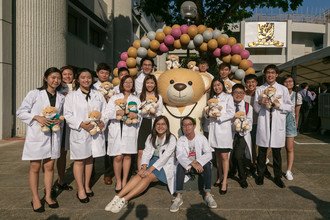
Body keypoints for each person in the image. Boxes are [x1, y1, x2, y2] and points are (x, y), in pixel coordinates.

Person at [17, 67, 65, 212]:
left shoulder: (61, 97)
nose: (55, 80)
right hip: (37, 135)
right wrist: (37, 117)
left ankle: (49, 195)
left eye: (58, 78)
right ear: (45, 78)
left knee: (49, 167)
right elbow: (21, 111)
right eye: (52, 77)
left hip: (54, 136)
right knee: (35, 167)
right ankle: (36, 198)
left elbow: (61, 115)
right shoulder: (35, 93)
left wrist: (60, 121)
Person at [105, 116, 176, 213]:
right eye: (158, 124)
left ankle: (124, 200)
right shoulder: (151, 136)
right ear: (154, 125)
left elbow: (164, 158)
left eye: (163, 124)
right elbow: (146, 153)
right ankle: (117, 197)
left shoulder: (172, 139)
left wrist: (148, 170)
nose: (160, 126)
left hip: (165, 165)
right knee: (139, 174)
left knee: (147, 177)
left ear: (167, 126)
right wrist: (143, 167)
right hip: (153, 161)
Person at [64, 68, 107, 203]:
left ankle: (87, 185)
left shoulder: (98, 95)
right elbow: (68, 114)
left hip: (94, 132)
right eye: (83, 77)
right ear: (77, 79)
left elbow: (105, 111)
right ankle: (80, 189)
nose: (86, 80)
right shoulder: (71, 96)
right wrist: (81, 124)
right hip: (80, 132)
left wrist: (102, 122)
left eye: (88, 77)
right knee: (79, 160)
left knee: (89, 159)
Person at [254, 64, 292, 188]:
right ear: (265, 74)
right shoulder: (260, 89)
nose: (270, 75)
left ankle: (277, 177)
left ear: (276, 74)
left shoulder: (283, 89)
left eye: (272, 72)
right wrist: (260, 102)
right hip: (264, 122)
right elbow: (256, 108)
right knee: (262, 152)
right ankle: (260, 175)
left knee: (276, 152)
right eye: (268, 72)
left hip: (277, 124)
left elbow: (289, 107)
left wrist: (278, 105)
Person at [170, 117, 216, 212]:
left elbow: (208, 153)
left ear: (194, 126)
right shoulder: (181, 140)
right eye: (184, 125)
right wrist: (192, 163)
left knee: (207, 165)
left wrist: (198, 162)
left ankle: (208, 194)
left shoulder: (201, 138)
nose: (187, 127)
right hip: (188, 166)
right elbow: (179, 155)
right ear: (182, 127)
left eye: (189, 124)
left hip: (199, 164)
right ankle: (178, 197)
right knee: (179, 166)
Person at [104, 75, 141, 192]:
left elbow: (140, 115)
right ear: (122, 84)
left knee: (127, 156)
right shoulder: (114, 97)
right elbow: (106, 114)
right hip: (116, 128)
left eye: (130, 82)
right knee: (118, 157)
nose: (128, 84)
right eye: (126, 82)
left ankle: (125, 180)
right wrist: (116, 113)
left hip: (129, 129)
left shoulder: (136, 99)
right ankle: (118, 180)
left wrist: (136, 115)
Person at [208, 78, 235, 194]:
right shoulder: (212, 99)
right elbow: (207, 113)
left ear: (222, 86)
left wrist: (219, 117)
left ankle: (225, 181)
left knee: (224, 156)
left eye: (218, 85)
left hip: (223, 131)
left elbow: (231, 113)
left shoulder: (228, 97)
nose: (217, 87)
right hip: (214, 131)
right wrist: (208, 114)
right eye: (214, 85)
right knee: (218, 156)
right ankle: (219, 177)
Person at [53, 65, 75, 194]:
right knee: (60, 154)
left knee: (70, 152)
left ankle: (63, 180)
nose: (67, 76)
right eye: (65, 74)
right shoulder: (57, 89)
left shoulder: (77, 88)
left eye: (70, 74)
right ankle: (59, 180)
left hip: (73, 125)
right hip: (60, 125)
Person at [93, 63, 114, 185]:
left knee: (108, 148)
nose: (104, 75)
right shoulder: (93, 87)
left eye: (106, 73)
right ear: (97, 73)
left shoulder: (113, 88)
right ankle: (91, 174)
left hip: (108, 122)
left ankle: (108, 174)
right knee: (93, 148)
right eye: (102, 72)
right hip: (96, 120)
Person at [137, 74, 163, 170]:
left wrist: (154, 113)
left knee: (151, 150)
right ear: (144, 84)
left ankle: (148, 172)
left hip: (153, 123)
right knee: (140, 151)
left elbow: (160, 111)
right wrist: (145, 111)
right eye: (148, 83)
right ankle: (140, 172)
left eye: (152, 83)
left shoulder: (159, 97)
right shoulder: (140, 95)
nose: (150, 85)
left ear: (155, 84)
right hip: (142, 123)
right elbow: (137, 110)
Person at [231, 84, 253, 188]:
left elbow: (250, 122)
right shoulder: (228, 105)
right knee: (230, 154)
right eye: (236, 92)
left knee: (238, 155)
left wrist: (242, 126)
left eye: (241, 93)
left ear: (244, 94)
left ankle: (242, 177)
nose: (238, 95)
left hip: (242, 135)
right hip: (229, 134)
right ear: (232, 93)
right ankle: (232, 171)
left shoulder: (248, 106)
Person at [282, 75, 300, 181]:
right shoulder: (279, 93)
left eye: (291, 81)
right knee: (271, 145)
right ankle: (264, 160)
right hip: (279, 122)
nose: (289, 83)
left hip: (290, 123)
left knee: (289, 148)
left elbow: (297, 112)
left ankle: (289, 170)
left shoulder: (297, 95)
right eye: (286, 81)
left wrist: (296, 124)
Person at [244, 74, 258, 169]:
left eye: (253, 82)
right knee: (247, 146)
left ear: (256, 83)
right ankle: (248, 164)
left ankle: (254, 165)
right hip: (246, 124)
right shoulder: (243, 95)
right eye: (248, 82)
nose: (251, 84)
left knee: (255, 146)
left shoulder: (260, 94)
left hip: (257, 123)